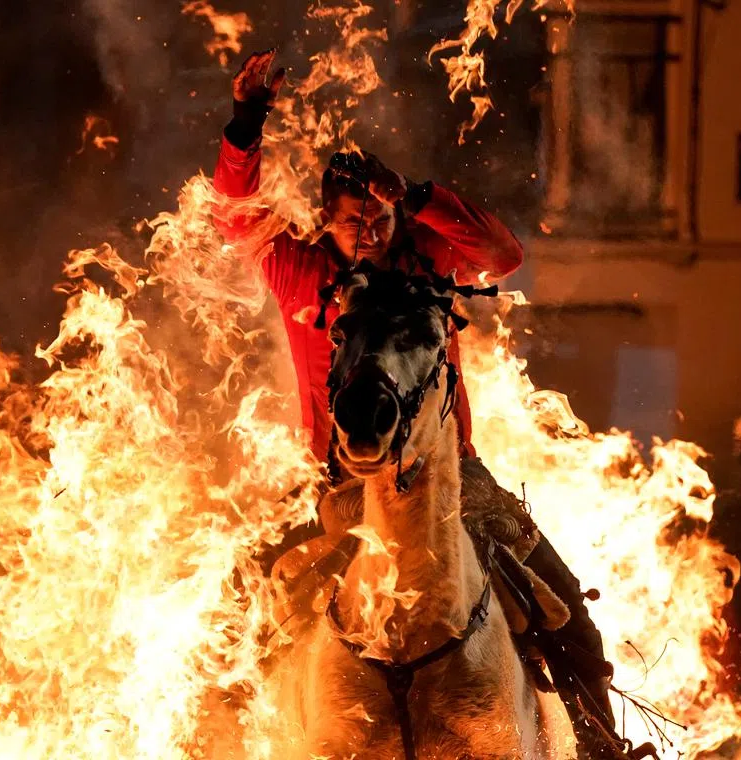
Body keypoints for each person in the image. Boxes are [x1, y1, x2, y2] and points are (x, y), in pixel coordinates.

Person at [212, 49, 618, 749]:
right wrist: (247, 119)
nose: (367, 231)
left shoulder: (430, 260)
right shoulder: (300, 269)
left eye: (378, 218)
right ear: (325, 221)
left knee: (567, 610)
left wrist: (420, 196)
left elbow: (504, 256)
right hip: (336, 480)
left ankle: (600, 742)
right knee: (235, 614)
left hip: (454, 476)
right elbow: (235, 216)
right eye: (352, 220)